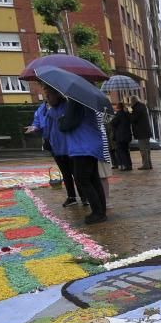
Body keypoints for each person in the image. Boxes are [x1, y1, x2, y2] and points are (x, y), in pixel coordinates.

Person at [42, 85, 107, 223]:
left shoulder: (74, 101)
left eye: (49, 95)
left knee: (82, 179)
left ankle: (98, 212)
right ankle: (101, 211)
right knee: (93, 179)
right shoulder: (84, 100)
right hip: (88, 144)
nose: (47, 98)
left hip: (82, 145)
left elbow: (66, 125)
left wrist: (61, 119)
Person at [26, 97, 83, 208]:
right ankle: (71, 197)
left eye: (49, 94)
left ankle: (84, 197)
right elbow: (38, 121)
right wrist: (35, 127)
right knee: (66, 173)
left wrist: (41, 128)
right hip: (55, 145)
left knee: (76, 173)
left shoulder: (65, 107)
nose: (47, 97)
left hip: (68, 144)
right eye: (46, 95)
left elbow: (65, 123)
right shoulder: (42, 108)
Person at [130, 95, 154, 170]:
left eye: (130, 101)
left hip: (142, 132)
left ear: (133, 101)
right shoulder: (142, 106)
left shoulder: (137, 108)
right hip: (146, 132)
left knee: (143, 149)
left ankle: (145, 165)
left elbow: (133, 119)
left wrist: (130, 111)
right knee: (147, 149)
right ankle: (149, 164)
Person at [110, 102, 134, 170]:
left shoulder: (118, 114)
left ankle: (124, 165)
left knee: (121, 151)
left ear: (118, 107)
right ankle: (129, 165)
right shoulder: (126, 114)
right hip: (127, 136)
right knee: (126, 151)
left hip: (120, 136)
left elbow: (113, 123)